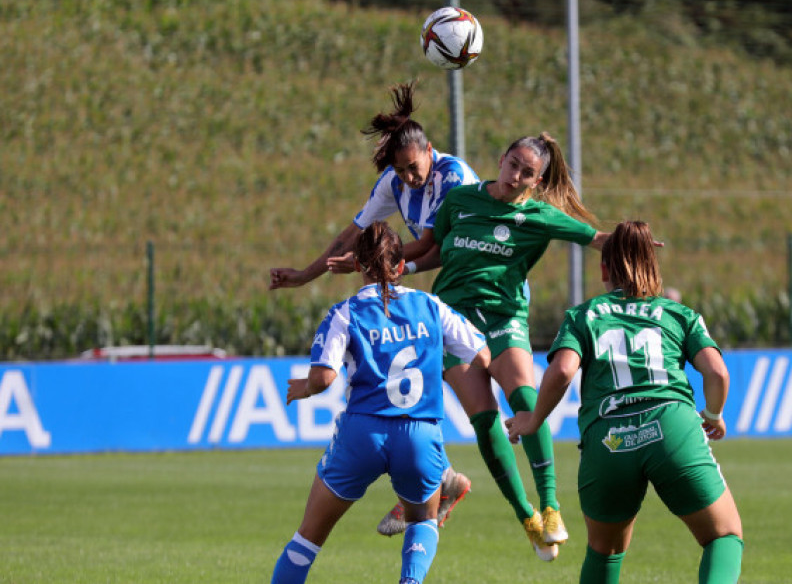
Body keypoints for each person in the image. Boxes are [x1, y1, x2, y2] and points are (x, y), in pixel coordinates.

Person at [268, 81, 479, 536]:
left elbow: (444, 247)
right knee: (415, 375)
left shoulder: (455, 177)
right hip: (429, 285)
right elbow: (356, 232)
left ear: (429, 151)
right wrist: (307, 273)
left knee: (454, 382)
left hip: (475, 283)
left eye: (412, 167)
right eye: (400, 172)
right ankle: (434, 479)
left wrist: (384, 264)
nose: (408, 178)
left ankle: (503, 486)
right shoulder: (393, 183)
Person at [404, 132, 620, 562]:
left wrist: (632, 242)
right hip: (454, 323)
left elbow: (596, 238)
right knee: (484, 421)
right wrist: (402, 265)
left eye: (527, 173)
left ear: (537, 182)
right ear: (500, 159)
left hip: (504, 320)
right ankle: (527, 518)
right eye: (512, 164)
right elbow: (436, 251)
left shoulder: (540, 216)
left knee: (526, 399)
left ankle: (552, 507)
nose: (515, 176)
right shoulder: (460, 201)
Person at [506, 220, 744, 583]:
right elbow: (717, 373)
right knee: (723, 535)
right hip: (670, 426)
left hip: (609, 437)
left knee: (605, 552)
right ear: (653, 264)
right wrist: (714, 413)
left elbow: (563, 372)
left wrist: (534, 419)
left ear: (604, 268)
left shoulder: (583, 315)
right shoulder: (678, 314)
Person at [270, 221, 490, 584]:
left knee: (308, 537)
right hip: (419, 435)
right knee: (424, 519)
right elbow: (482, 356)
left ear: (357, 265)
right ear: (401, 266)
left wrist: (304, 389)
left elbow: (324, 377)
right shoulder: (431, 306)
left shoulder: (346, 312)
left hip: (363, 434)